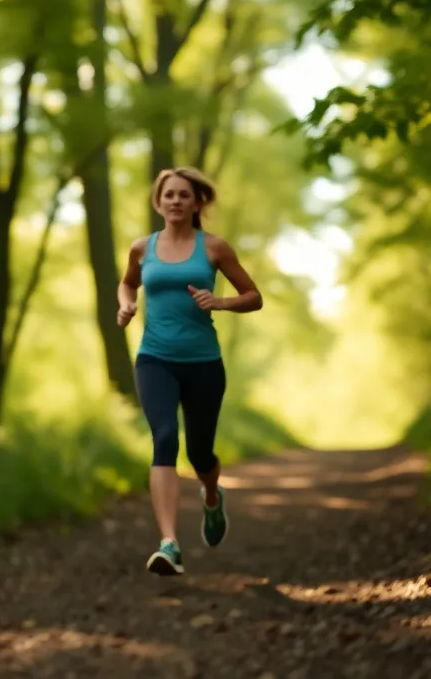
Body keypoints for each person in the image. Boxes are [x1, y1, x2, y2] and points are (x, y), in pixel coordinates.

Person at [116, 166, 263, 576]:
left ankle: (212, 497)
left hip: (203, 363)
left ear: (197, 202)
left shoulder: (214, 248)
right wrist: (126, 304)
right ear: (158, 202)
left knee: (200, 453)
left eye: (184, 195)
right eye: (169, 195)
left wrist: (220, 303)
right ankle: (169, 544)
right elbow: (127, 283)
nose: (176, 201)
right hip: (155, 359)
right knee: (164, 438)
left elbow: (253, 297)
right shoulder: (142, 248)